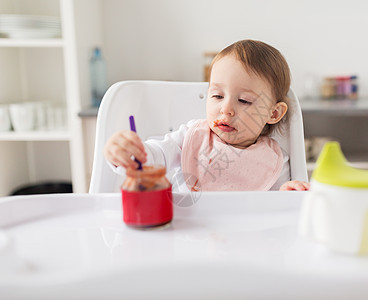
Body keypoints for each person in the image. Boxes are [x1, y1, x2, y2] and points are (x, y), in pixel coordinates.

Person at [104, 39, 310, 191]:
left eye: (244, 100)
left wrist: (287, 194)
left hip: (245, 243)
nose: (226, 109)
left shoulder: (274, 159)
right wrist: (129, 154)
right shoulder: (192, 137)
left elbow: (276, 212)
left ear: (273, 113)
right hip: (187, 238)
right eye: (218, 96)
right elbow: (157, 156)